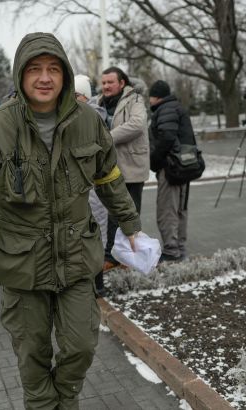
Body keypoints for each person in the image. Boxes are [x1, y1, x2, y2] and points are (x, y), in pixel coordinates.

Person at [0, 32, 141, 408]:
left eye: (53, 69)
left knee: (82, 345)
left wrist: (131, 225)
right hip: (22, 263)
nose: (44, 77)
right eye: (35, 69)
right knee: (32, 353)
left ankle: (62, 402)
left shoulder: (89, 122)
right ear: (21, 75)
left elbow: (109, 179)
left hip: (75, 258)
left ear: (65, 75)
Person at [97, 66, 149, 270]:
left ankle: (130, 258)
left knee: (131, 214)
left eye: (110, 82)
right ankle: (112, 256)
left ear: (122, 83)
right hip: (110, 168)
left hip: (132, 167)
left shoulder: (135, 100)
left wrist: (106, 138)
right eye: (103, 83)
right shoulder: (100, 102)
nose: (106, 86)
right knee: (112, 213)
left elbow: (137, 125)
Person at [148, 80, 195, 263]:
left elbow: (167, 137)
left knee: (167, 209)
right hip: (184, 166)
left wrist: (155, 161)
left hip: (171, 167)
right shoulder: (177, 107)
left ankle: (171, 251)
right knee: (180, 209)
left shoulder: (165, 109)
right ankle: (179, 248)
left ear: (156, 96)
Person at [74, 74, 109, 295]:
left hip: (93, 188)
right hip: (81, 188)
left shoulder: (92, 118)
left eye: (76, 95)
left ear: (85, 96)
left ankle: (97, 284)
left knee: (95, 234)